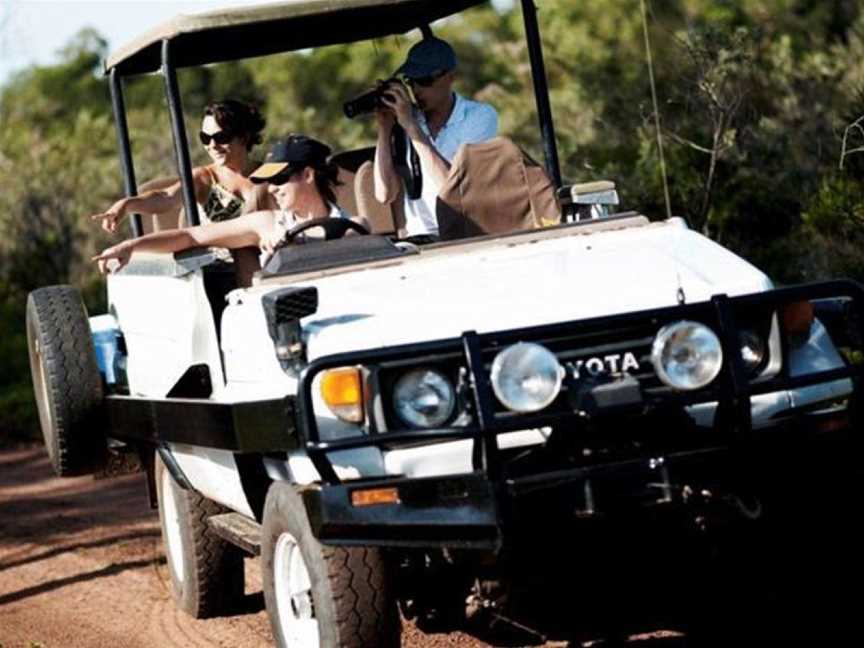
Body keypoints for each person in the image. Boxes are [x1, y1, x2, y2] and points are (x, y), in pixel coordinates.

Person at [93, 135, 361, 280]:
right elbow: (191, 236)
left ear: (308, 175)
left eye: (280, 179)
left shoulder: (355, 227)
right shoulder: (267, 223)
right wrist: (130, 246)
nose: (271, 188)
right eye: (269, 181)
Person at [90, 99, 275, 284]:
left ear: (243, 136)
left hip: (272, 261)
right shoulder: (204, 178)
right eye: (205, 138)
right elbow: (165, 198)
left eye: (221, 138)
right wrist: (127, 205)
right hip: (216, 271)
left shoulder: (270, 176)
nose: (212, 145)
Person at [373, 36, 498, 240]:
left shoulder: (479, 117)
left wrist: (412, 127)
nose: (416, 89)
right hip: (419, 238)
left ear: (450, 77)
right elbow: (384, 194)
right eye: (410, 81)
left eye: (424, 80)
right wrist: (384, 127)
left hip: (465, 233)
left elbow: (455, 193)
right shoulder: (407, 120)